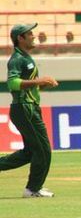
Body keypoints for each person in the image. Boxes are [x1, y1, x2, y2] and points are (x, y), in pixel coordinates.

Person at [0, 23, 59, 198]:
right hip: (24, 108)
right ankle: (33, 189)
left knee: (30, 152)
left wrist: (44, 86)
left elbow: (28, 87)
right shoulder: (17, 59)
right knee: (43, 150)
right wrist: (39, 81)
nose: (34, 36)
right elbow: (13, 84)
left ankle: (33, 188)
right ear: (20, 38)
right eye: (30, 34)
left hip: (29, 107)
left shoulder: (25, 58)